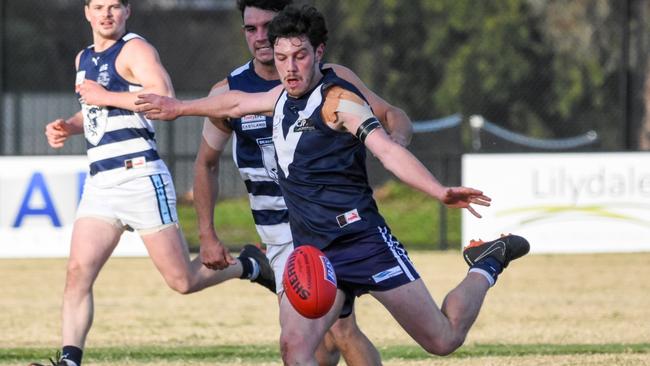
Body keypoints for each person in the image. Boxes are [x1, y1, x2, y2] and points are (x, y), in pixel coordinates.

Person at [136, 5, 530, 365]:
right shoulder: (279, 96)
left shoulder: (339, 101)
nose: (290, 67)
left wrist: (438, 191)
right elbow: (234, 103)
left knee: (443, 339)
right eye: (282, 57)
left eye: (300, 56)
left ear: (319, 53)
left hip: (362, 242)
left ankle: (487, 263)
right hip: (313, 252)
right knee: (296, 347)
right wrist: (179, 108)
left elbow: (388, 152)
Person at [30, 1, 275, 366]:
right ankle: (69, 360)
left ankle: (250, 265)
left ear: (127, 11)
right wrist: (70, 124)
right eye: (99, 6)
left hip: (139, 176)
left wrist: (104, 96)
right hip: (101, 184)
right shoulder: (83, 58)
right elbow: (95, 110)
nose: (106, 14)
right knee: (77, 273)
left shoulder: (135, 49)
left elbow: (164, 96)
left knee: (183, 281)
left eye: (114, 6)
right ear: (87, 12)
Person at [193, 1, 412, 364]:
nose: (260, 37)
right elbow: (206, 164)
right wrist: (206, 234)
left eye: (268, 26)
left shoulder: (331, 79)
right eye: (251, 29)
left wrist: (394, 144)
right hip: (280, 235)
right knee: (322, 342)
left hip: (329, 225)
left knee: (332, 334)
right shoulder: (228, 92)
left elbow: (392, 115)